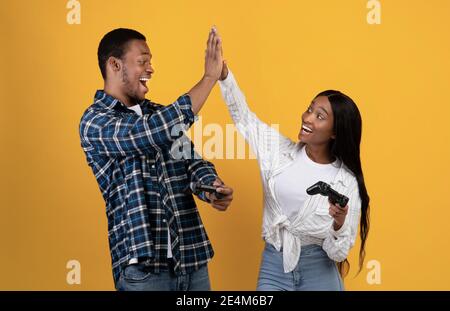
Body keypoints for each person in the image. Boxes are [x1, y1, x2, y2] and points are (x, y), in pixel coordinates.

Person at [79, 27, 233, 291]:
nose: (151, 69)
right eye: (142, 61)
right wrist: (209, 78)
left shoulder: (159, 113)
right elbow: (150, 132)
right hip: (144, 273)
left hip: (192, 261)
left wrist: (210, 186)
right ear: (115, 65)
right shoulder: (95, 122)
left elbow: (193, 163)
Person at [218, 61, 370, 291]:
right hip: (274, 265)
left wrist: (339, 224)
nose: (308, 118)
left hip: (319, 272)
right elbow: (245, 119)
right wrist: (225, 76)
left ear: (335, 132)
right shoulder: (278, 152)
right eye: (310, 109)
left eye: (320, 116)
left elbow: (338, 254)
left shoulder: (346, 182)